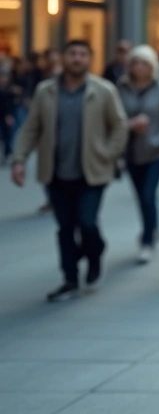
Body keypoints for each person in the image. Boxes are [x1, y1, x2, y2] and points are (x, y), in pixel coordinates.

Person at [11, 40, 128, 302]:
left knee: (87, 223)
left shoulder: (103, 90)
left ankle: (95, 252)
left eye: (82, 54)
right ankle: (70, 279)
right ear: (63, 57)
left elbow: (119, 125)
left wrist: (107, 154)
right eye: (72, 53)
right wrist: (19, 159)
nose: (77, 59)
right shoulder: (46, 91)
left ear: (89, 59)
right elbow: (31, 128)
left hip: (92, 172)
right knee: (65, 227)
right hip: (56, 173)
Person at [117, 45, 159, 264]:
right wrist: (129, 125)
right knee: (141, 195)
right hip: (132, 150)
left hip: (158, 150)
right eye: (135, 63)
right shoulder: (122, 88)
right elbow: (114, 118)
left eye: (144, 64)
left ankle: (147, 239)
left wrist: (157, 139)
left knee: (147, 193)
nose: (140, 68)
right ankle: (153, 226)